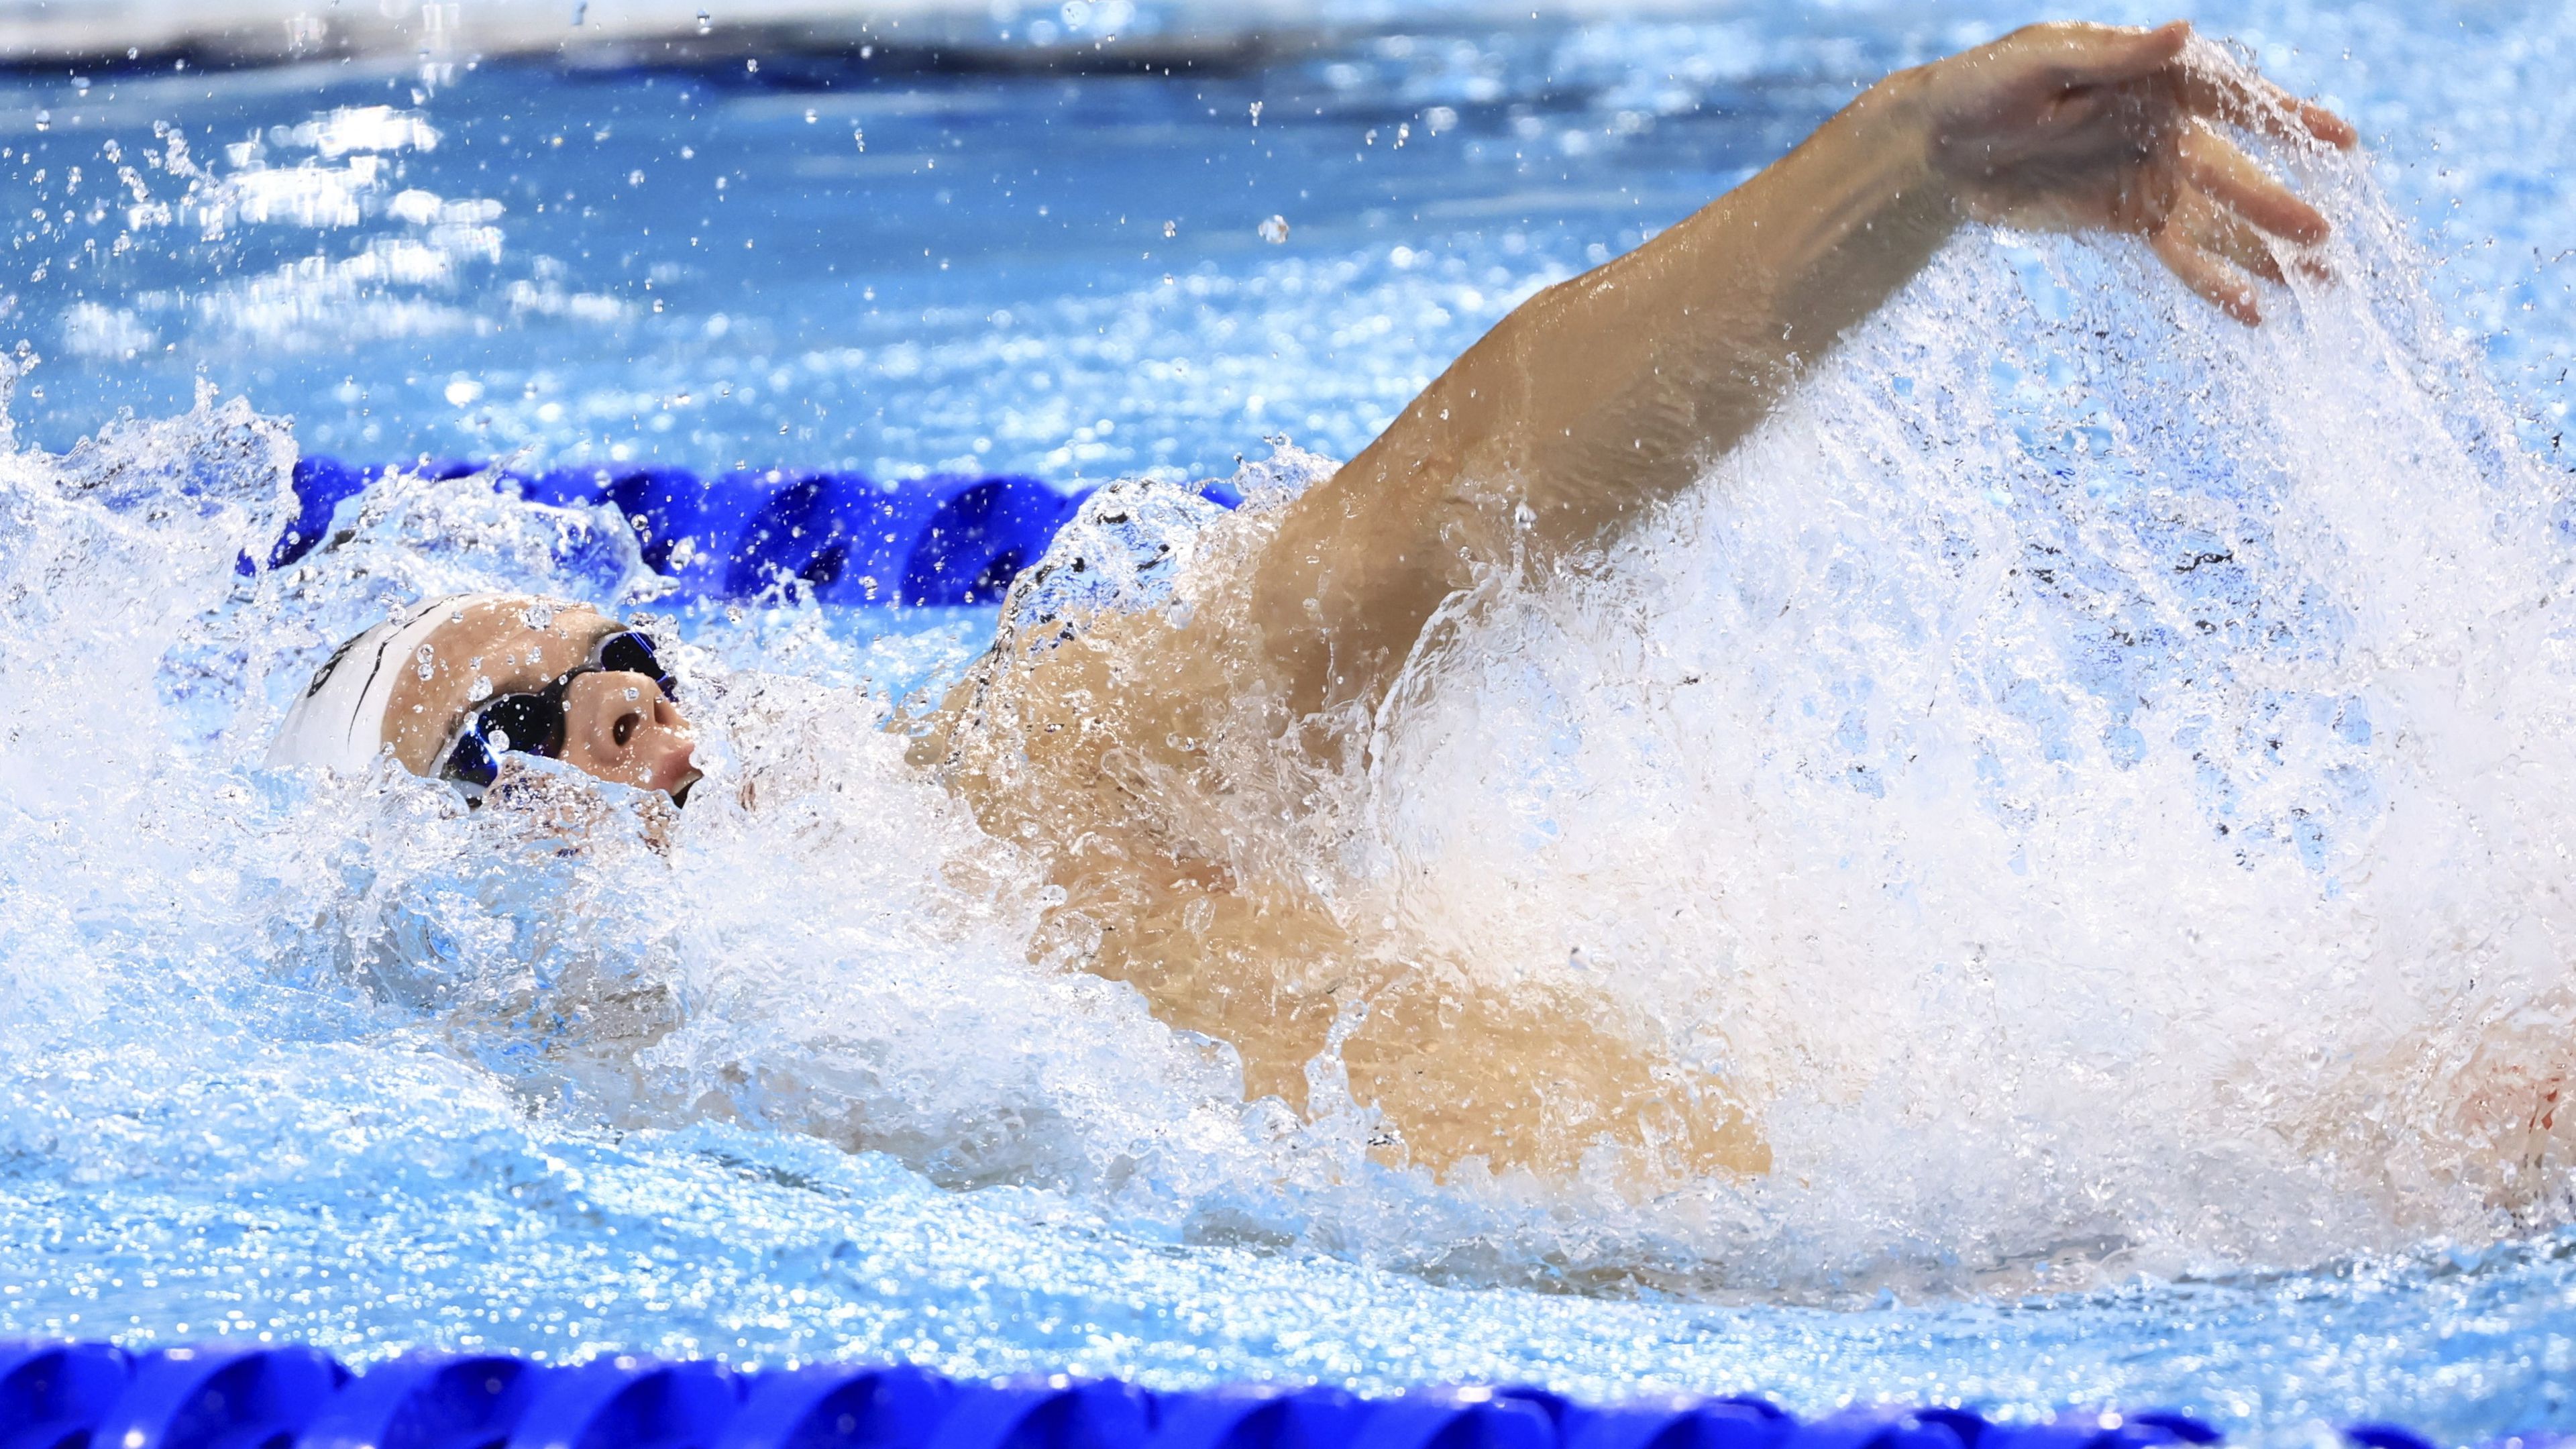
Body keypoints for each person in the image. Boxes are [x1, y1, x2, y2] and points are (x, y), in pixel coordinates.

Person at [270, 21, 2355, 1186]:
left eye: (597, 653)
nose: (605, 707)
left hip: (2152, 1176)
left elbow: (1445, 509)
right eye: (495, 739)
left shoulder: (1017, 783)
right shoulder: (732, 1085)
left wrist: (1903, 169)